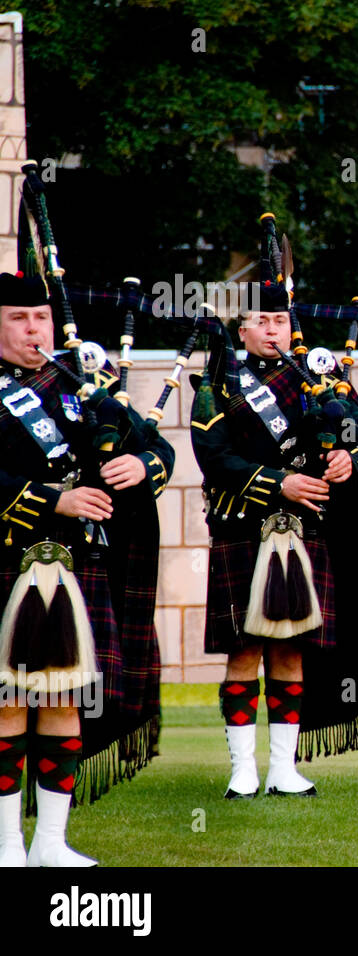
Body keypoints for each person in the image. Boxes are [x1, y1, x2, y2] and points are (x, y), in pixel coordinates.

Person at [191, 252, 358, 800]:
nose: (273, 329)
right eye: (262, 321)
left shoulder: (319, 380)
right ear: (243, 328)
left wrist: (349, 459)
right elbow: (214, 457)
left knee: (292, 647)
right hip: (245, 528)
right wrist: (280, 483)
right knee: (245, 646)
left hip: (304, 531)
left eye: (281, 321)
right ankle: (241, 767)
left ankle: (283, 767)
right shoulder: (219, 381)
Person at [0, 271, 172, 866]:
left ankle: (50, 843)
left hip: (75, 567)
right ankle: (5, 847)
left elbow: (159, 447)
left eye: (41, 319)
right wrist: (54, 500)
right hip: (7, 560)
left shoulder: (79, 383)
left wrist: (139, 462)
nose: (34, 330)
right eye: (19, 319)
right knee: (6, 702)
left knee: (62, 700)